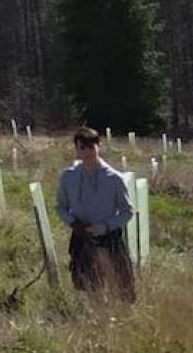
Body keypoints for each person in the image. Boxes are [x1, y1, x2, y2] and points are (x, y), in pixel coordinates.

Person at [56, 126, 135, 301]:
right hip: (82, 239)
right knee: (91, 288)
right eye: (82, 148)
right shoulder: (68, 177)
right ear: (76, 150)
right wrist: (73, 223)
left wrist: (106, 226)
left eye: (91, 147)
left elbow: (127, 211)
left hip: (109, 239)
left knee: (122, 288)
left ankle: (122, 322)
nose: (87, 152)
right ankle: (101, 319)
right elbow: (60, 207)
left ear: (99, 146)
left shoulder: (114, 178)